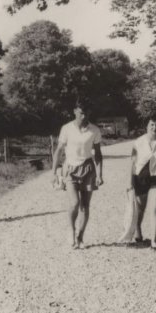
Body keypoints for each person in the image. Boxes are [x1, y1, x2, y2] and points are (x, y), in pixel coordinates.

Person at [51, 99, 104, 249]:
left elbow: (98, 154)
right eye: (80, 113)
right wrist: (54, 172)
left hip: (88, 168)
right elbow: (58, 151)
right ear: (75, 111)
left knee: (85, 206)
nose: (83, 116)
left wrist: (100, 174)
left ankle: (80, 236)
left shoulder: (94, 130)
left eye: (86, 113)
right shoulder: (66, 128)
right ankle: (71, 231)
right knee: (74, 203)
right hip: (70, 168)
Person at [125, 116, 156, 251]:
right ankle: (138, 233)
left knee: (155, 208)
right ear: (147, 126)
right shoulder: (138, 142)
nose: (154, 128)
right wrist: (130, 182)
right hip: (140, 177)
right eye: (151, 125)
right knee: (140, 208)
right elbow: (132, 163)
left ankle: (154, 241)